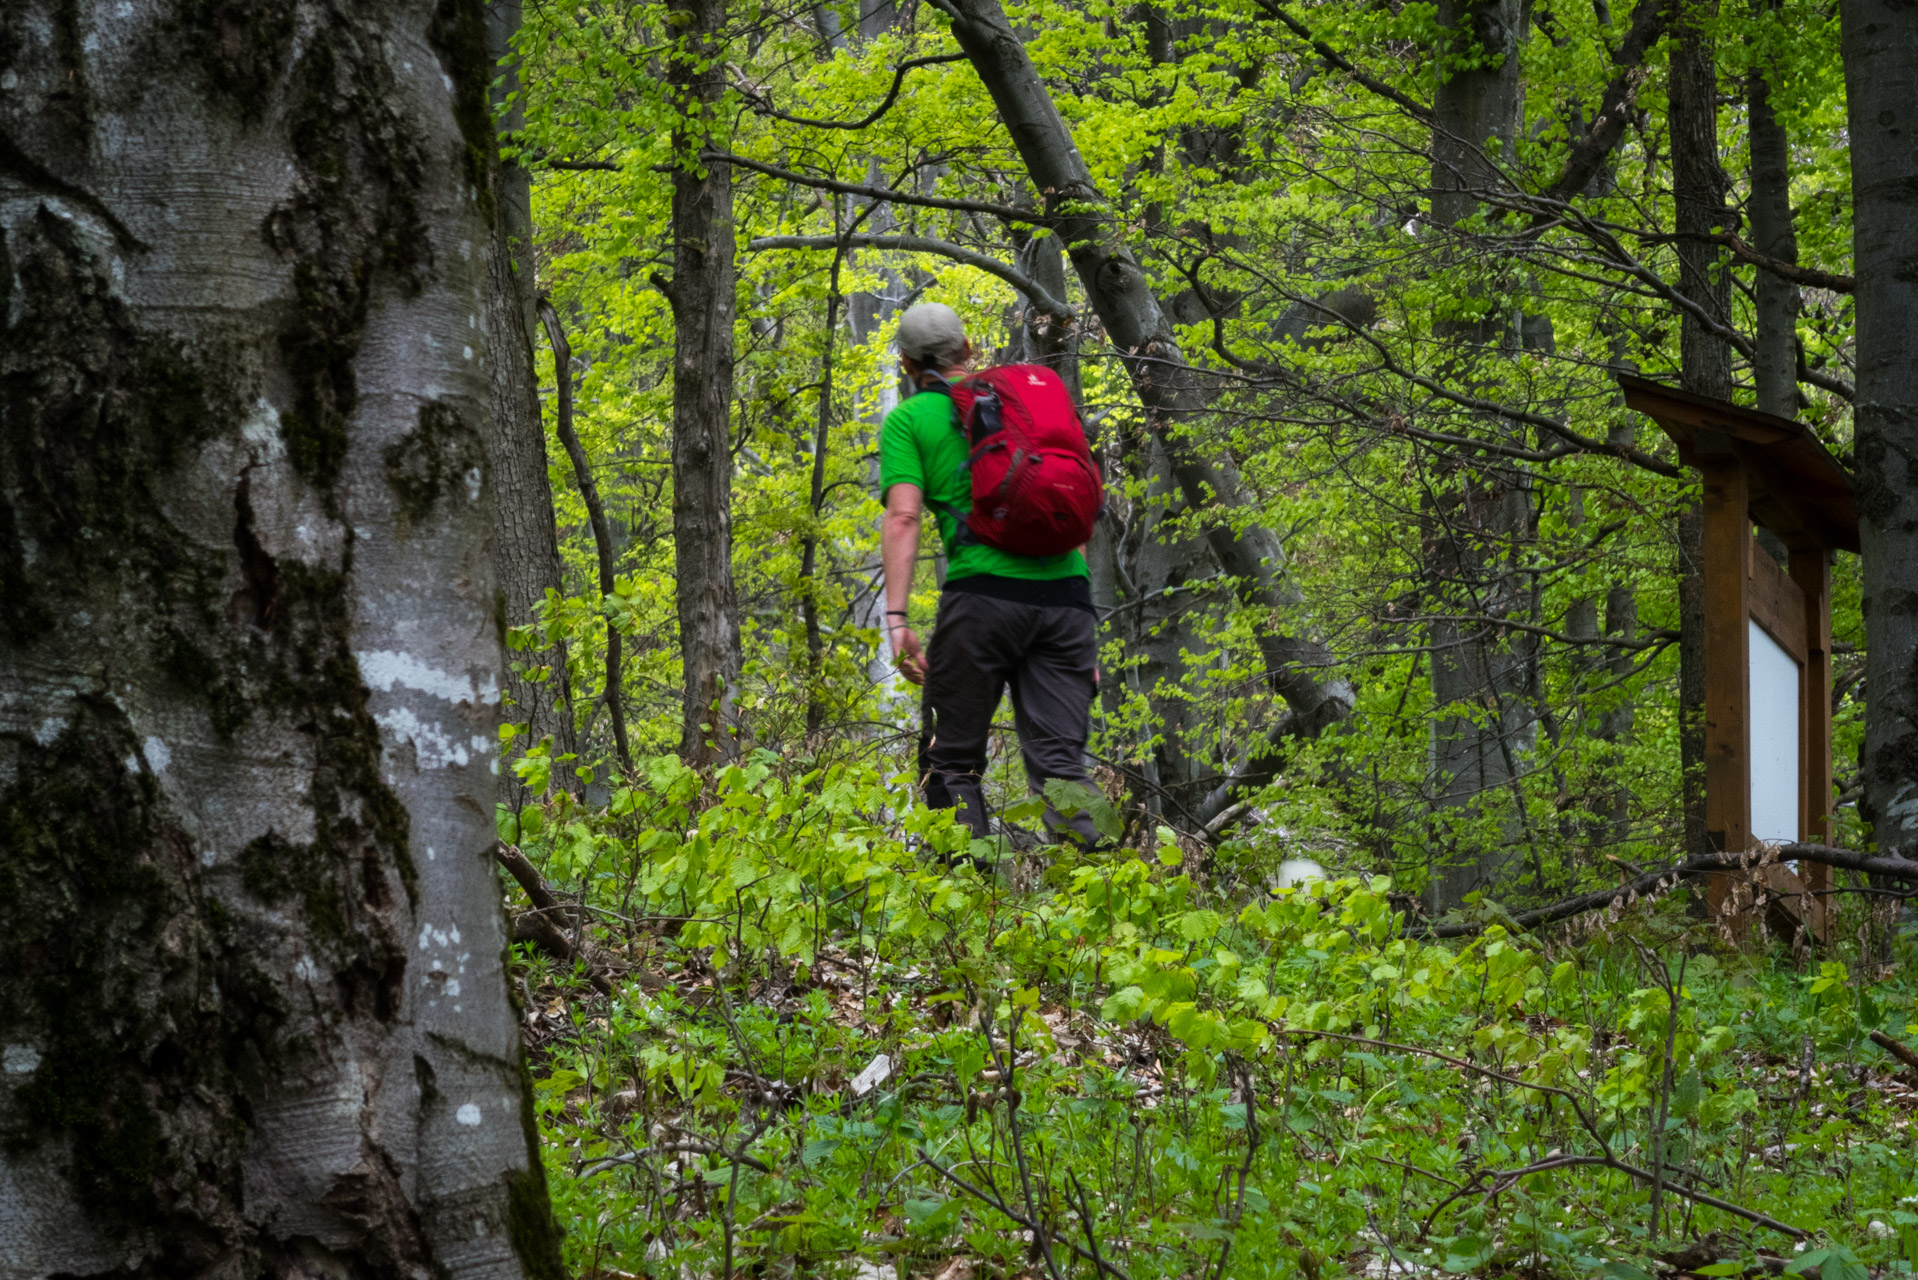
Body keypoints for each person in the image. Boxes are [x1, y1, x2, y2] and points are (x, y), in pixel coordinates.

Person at [878, 302, 1101, 848]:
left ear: (907, 365)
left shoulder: (909, 420)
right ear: (969, 350)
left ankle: (962, 904)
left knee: (950, 760)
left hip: (982, 599)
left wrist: (898, 617)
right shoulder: (1028, 404)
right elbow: (1080, 506)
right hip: (1068, 600)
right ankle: (1100, 903)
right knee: (1060, 765)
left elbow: (904, 515)